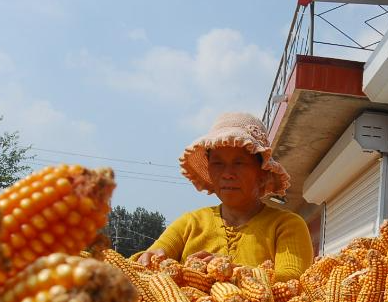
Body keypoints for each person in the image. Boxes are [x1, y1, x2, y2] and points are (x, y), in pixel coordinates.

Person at [134, 112, 314, 281]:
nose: (227, 174)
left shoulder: (286, 225)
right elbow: (147, 260)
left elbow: (292, 280)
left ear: (263, 173)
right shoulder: (190, 224)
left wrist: (229, 270)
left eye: (239, 163)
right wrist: (147, 260)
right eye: (218, 163)